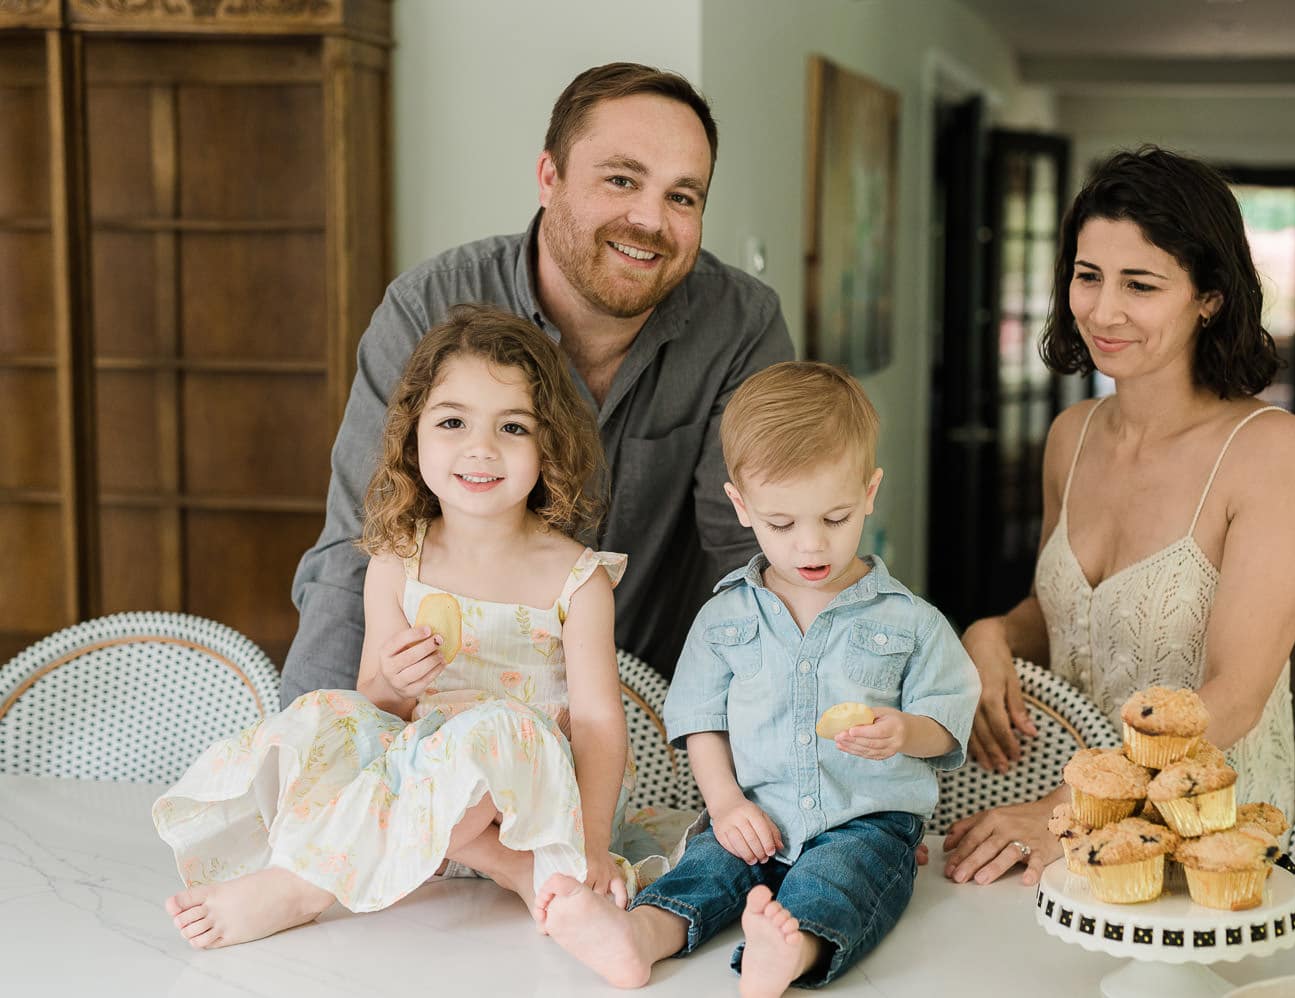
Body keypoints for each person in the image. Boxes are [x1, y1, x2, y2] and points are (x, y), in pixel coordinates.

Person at [282, 62, 794, 707]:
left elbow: (758, 556)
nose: (651, 220)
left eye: (682, 196)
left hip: (665, 710)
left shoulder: (741, 326)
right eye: (621, 179)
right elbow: (359, 548)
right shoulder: (428, 308)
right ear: (549, 178)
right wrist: (315, 759)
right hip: (444, 716)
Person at [154, 305, 664, 948]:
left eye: (513, 426)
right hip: (423, 817)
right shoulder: (398, 562)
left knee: (495, 729)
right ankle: (513, 869)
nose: (481, 448)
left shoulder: (578, 579)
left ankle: (305, 887)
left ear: (549, 445)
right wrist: (394, 680)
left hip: (538, 802)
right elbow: (378, 707)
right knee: (324, 713)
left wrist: (590, 844)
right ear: (413, 435)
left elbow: (595, 723)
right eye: (453, 422)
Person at [942, 146, 1295, 888]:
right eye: (1088, 276)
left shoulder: (1274, 453)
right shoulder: (1070, 436)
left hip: (1207, 845)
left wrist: (1071, 809)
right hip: (1067, 833)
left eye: (1140, 284)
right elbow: (1063, 616)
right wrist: (992, 631)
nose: (1102, 310)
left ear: (1209, 297)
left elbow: (1238, 692)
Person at [534, 361, 981, 995]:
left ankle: (788, 951)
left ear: (870, 492)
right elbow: (701, 724)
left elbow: (947, 722)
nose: (811, 547)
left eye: (835, 518)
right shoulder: (723, 619)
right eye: (782, 524)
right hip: (753, 811)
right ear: (741, 507)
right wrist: (724, 803)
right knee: (706, 867)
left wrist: (907, 732)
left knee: (843, 878)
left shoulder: (911, 621)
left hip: (868, 821)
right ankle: (639, 937)